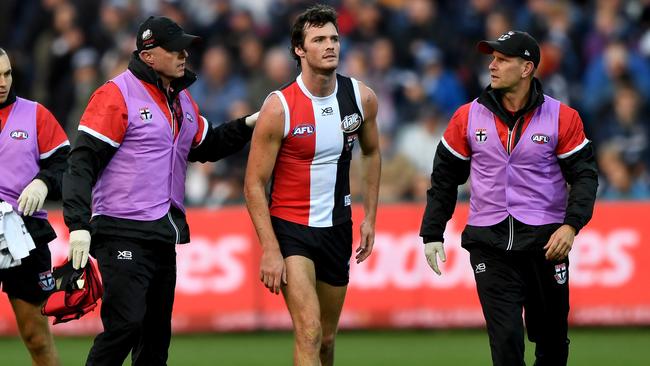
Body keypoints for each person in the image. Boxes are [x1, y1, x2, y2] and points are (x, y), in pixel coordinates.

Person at [62, 16, 258, 366]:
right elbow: (82, 162)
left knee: (155, 340)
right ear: (149, 55)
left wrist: (250, 124)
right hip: (121, 230)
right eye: (175, 48)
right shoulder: (116, 94)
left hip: (161, 235)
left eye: (185, 47)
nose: (184, 54)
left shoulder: (180, 101)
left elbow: (207, 144)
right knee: (125, 325)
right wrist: (77, 223)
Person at [420, 30, 598, 366]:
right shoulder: (466, 117)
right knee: (505, 342)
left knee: (552, 343)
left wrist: (572, 226)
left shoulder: (563, 117)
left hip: (547, 244)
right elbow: (444, 178)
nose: (492, 65)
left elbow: (585, 177)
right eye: (492, 58)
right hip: (489, 244)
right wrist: (432, 233)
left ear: (527, 68)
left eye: (502, 59)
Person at [244, 5, 381, 366]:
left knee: (327, 338)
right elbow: (254, 184)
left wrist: (370, 217)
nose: (330, 45)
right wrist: (270, 249)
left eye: (334, 38)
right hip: (292, 230)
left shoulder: (361, 98)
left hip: (337, 227)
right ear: (299, 50)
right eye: (318, 39)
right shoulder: (279, 107)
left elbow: (373, 152)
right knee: (309, 331)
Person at [0, 47, 68, 366]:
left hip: (26, 234)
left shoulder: (35, 114)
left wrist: (43, 182)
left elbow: (64, 164)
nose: (3, 82)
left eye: (7, 74)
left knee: (37, 339)